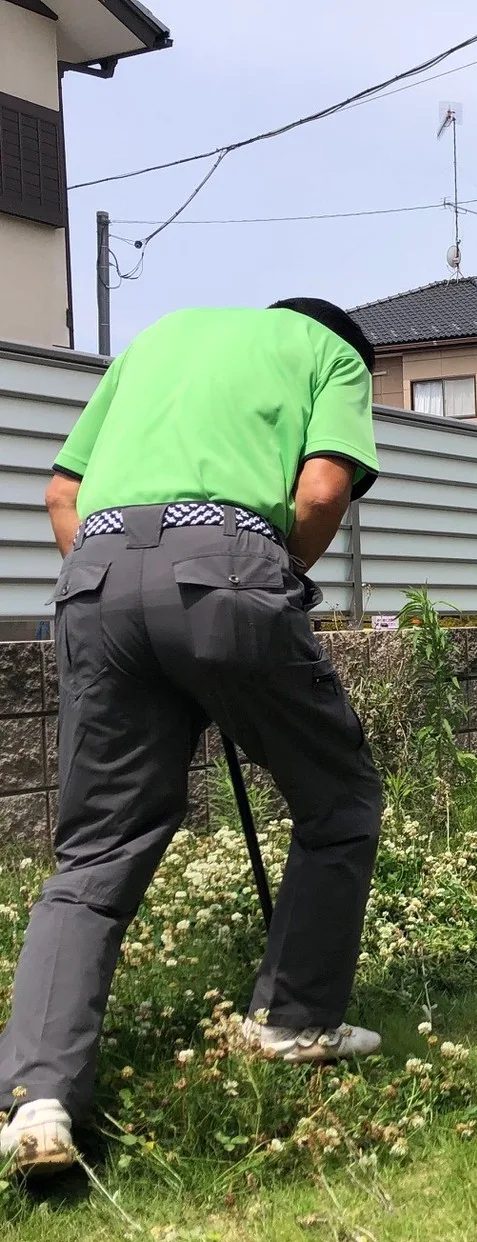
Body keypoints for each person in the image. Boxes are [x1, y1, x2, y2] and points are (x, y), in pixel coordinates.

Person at [0, 299, 386, 1177]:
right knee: (340, 801)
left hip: (92, 577)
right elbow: (321, 490)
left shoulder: (157, 341)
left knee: (94, 851)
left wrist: (122, 588)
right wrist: (268, 580)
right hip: (231, 571)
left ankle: (38, 1101)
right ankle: (292, 1021)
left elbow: (63, 493)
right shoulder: (333, 355)